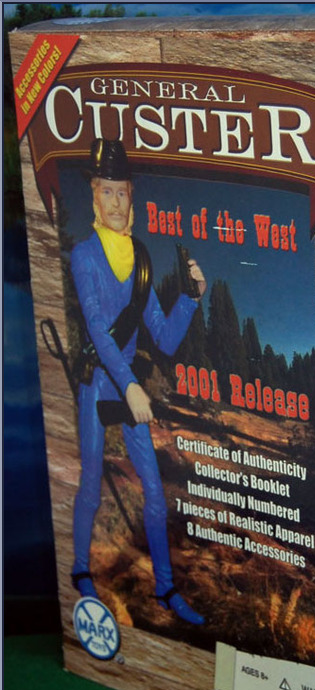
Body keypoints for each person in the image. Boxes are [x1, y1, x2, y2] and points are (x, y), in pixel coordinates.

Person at [70, 138, 206, 625]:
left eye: (122, 192)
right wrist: (130, 386)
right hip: (100, 381)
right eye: (105, 191)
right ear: (94, 195)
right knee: (90, 482)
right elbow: (97, 330)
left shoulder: (142, 260)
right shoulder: (84, 256)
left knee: (153, 489)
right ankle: (81, 570)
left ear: (132, 197)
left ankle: (165, 588)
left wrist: (190, 298)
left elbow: (165, 339)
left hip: (129, 387)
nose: (114, 202)